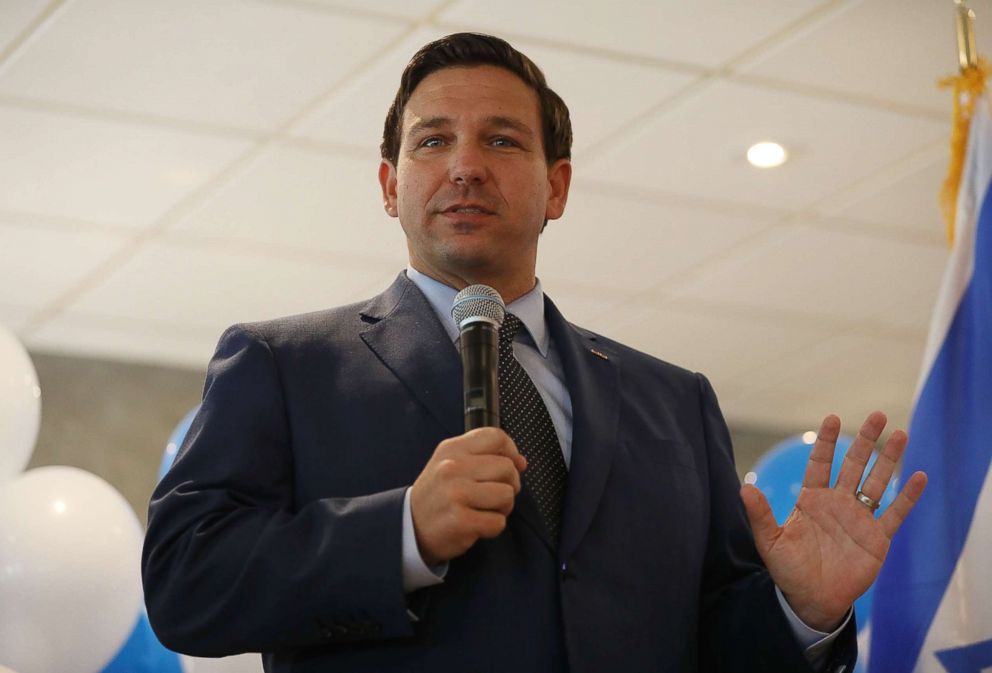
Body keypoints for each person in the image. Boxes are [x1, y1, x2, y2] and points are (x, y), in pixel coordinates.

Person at [141, 33, 928, 673]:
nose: (466, 164)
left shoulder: (675, 402)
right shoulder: (284, 364)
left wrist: (802, 612)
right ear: (389, 184)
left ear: (556, 187)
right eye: (433, 140)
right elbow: (184, 583)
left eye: (502, 139)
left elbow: (714, 644)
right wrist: (402, 532)